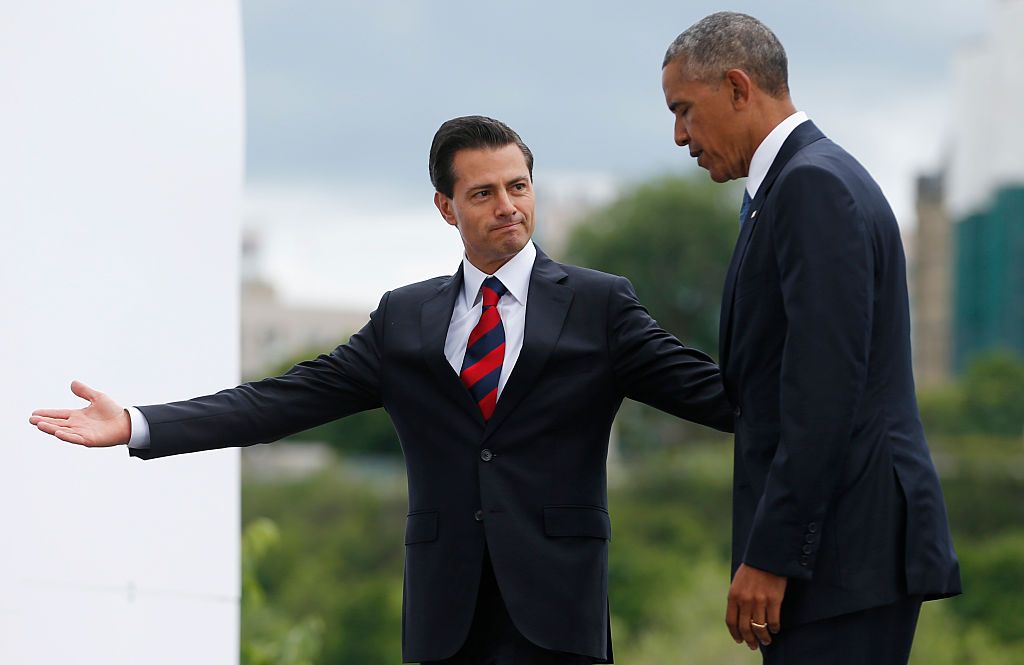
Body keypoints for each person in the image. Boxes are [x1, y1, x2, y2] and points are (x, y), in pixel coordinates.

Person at [31, 115, 734, 665]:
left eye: (519, 186)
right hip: (443, 616)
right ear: (445, 205)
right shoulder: (406, 317)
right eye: (483, 192)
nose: (508, 207)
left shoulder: (599, 304)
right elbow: (283, 399)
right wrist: (138, 421)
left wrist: (828, 388)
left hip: (557, 614)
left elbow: (715, 394)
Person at [660, 12, 961, 664]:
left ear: (739, 87)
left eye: (685, 109)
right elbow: (760, 381)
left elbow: (824, 389)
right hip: (838, 556)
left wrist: (773, 553)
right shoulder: (783, 188)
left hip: (843, 556)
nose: (679, 135)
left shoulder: (811, 186)